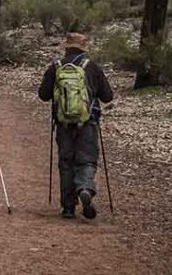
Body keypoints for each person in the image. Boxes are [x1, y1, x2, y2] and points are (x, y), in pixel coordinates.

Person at [38, 32, 114, 220]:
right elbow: (107, 96)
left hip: (63, 123)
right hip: (88, 122)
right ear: (84, 48)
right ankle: (85, 188)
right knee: (87, 159)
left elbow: (43, 95)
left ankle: (68, 207)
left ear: (67, 47)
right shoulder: (92, 67)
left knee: (66, 162)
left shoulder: (56, 67)